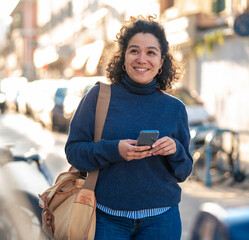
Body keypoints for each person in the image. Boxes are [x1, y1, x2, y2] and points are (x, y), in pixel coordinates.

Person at [65, 15, 193, 240]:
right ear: (123, 58)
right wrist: (115, 150)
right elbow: (74, 152)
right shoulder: (98, 97)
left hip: (162, 221)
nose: (142, 59)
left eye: (151, 52)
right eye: (134, 51)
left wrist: (175, 150)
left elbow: (184, 171)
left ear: (162, 62)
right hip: (106, 219)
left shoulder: (175, 108)